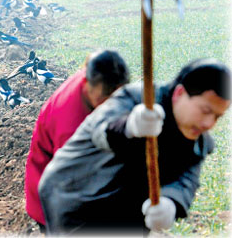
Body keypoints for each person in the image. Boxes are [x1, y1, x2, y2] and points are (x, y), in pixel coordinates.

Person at [38, 58, 231, 235]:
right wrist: (129, 126)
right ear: (180, 93)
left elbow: (186, 180)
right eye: (205, 111)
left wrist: (171, 202)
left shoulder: (199, 141)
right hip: (76, 195)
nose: (209, 124)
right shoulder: (136, 99)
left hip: (126, 207)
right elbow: (100, 132)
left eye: (217, 116)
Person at [25, 49, 130, 232]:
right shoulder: (70, 123)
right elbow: (73, 182)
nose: (109, 107)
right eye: (102, 100)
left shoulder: (98, 75)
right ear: (87, 84)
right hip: (54, 196)